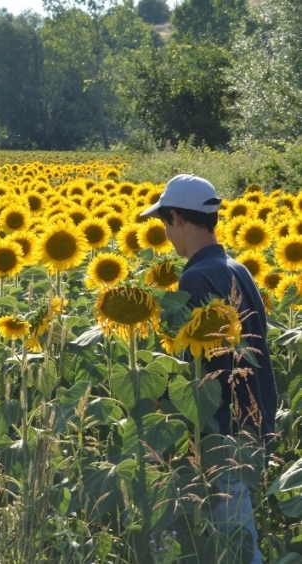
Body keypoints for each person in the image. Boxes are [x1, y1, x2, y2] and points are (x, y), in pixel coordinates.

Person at [141, 174, 277, 564]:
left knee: (235, 542)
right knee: (232, 533)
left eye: (165, 224)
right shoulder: (238, 269)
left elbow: (198, 365)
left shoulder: (196, 277)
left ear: (176, 218)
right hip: (251, 421)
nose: (166, 235)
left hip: (220, 431)